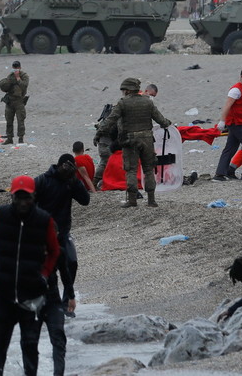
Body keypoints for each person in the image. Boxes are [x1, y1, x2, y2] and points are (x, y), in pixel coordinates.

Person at [0, 175, 60, 376]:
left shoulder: (44, 220)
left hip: (31, 294)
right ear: (12, 197)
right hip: (1, 293)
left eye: (27, 197)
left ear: (34, 196)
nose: (23, 202)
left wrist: (44, 274)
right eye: (19, 197)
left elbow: (54, 251)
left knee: (30, 344)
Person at [35, 154, 91, 374]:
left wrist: (75, 180)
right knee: (47, 272)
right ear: (58, 166)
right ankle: (51, 302)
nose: (68, 170)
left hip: (63, 232)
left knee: (72, 262)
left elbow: (85, 200)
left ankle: (67, 300)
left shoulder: (71, 181)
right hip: (42, 233)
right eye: (66, 167)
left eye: (72, 168)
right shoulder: (43, 179)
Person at [97, 77, 172, 207]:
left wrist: (98, 133)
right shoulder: (148, 102)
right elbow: (161, 120)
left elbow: (110, 121)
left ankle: (132, 200)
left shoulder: (122, 103)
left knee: (130, 170)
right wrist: (168, 123)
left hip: (129, 141)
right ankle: (151, 200)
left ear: (127, 90)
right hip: (147, 139)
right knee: (148, 169)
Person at [214, 67, 242, 182]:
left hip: (241, 122)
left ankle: (220, 174)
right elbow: (227, 105)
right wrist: (222, 121)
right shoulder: (236, 90)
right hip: (237, 123)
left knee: (230, 148)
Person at [0, 60, 30, 144]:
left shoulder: (24, 76)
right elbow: (6, 86)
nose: (15, 69)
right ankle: (9, 138)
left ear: (20, 67)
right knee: (9, 120)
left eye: (17, 67)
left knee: (20, 120)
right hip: (10, 101)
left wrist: (18, 78)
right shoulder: (10, 76)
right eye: (14, 67)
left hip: (19, 101)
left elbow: (24, 86)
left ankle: (21, 138)